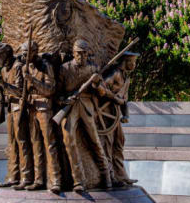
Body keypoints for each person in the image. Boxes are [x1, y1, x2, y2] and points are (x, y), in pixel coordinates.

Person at [58, 39, 112, 192]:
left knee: (95, 141)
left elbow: (102, 93)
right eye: (78, 53)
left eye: (84, 54)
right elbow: (57, 94)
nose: (81, 57)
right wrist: (65, 99)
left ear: (88, 54)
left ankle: (106, 176)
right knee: (69, 141)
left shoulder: (93, 69)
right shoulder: (64, 69)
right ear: (73, 53)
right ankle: (78, 181)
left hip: (87, 107)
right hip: (70, 107)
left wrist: (96, 84)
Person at [21, 41, 62, 194]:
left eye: (27, 54)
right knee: (35, 144)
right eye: (23, 54)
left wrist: (32, 80)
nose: (24, 57)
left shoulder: (46, 67)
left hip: (44, 108)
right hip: (31, 109)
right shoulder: (26, 67)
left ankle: (56, 180)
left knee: (49, 144)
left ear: (35, 52)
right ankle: (39, 179)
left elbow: (50, 90)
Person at [0, 43, 33, 189]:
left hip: (19, 108)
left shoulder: (17, 67)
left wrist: (3, 85)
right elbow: (6, 93)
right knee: (12, 144)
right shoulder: (3, 70)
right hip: (10, 109)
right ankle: (14, 176)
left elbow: (21, 91)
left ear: (6, 55)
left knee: (22, 142)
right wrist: (2, 98)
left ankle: (27, 177)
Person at [100, 52, 139, 187]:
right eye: (132, 62)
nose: (134, 65)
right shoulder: (114, 73)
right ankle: (110, 176)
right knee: (107, 145)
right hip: (105, 115)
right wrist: (114, 98)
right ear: (126, 61)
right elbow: (101, 88)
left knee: (119, 143)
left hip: (115, 116)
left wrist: (126, 115)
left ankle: (121, 175)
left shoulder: (126, 79)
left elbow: (124, 100)